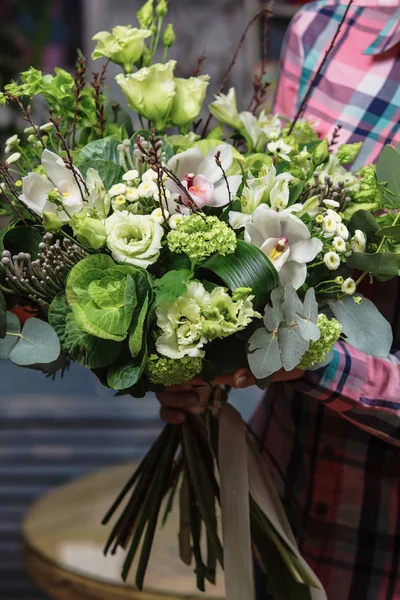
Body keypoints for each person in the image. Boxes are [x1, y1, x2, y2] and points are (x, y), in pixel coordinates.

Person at [157, 1, 400, 598]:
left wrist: (318, 359)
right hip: (278, 511)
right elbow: (272, 227)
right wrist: (192, 349)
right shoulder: (331, 26)